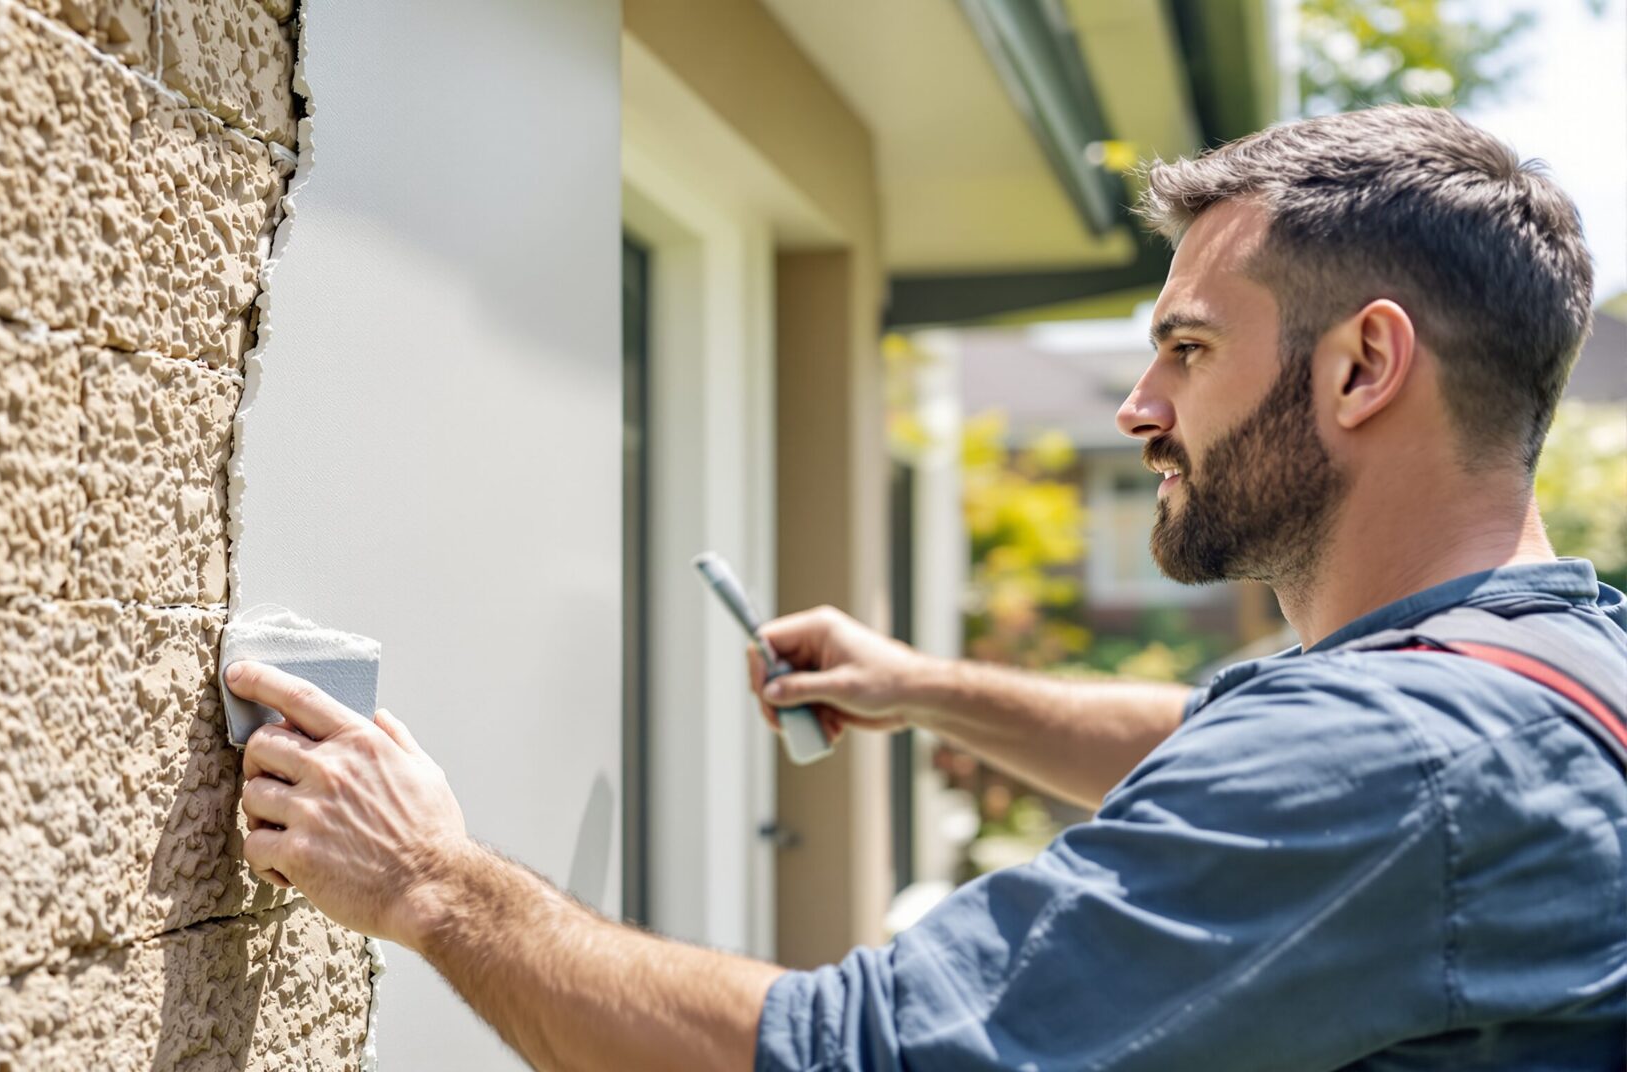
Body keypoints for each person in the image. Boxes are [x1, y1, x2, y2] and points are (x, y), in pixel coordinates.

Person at [224, 104, 1627, 1070]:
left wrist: (429, 882)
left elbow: (853, 1058)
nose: (1139, 406)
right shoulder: (1548, 665)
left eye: (1190, 349)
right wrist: (920, 690)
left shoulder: (1386, 761)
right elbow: (1207, 746)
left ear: (1363, 367)